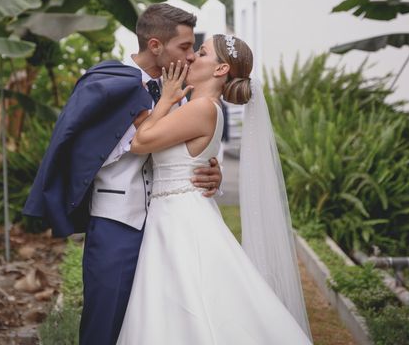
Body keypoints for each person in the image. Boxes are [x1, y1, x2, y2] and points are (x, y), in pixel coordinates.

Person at [23, 4, 223, 345]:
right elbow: (81, 155)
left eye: (193, 48)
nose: (190, 57)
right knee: (106, 322)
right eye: (185, 47)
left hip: (168, 227)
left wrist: (210, 171)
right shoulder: (105, 82)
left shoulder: (174, 89)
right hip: (118, 223)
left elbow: (179, 148)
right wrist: (127, 135)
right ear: (156, 46)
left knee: (158, 324)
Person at [116, 35, 314, 344]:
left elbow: (140, 142)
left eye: (202, 52)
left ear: (221, 68)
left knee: (190, 303)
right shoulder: (198, 107)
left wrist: (166, 98)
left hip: (179, 218)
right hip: (173, 214)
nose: (192, 56)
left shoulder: (202, 109)